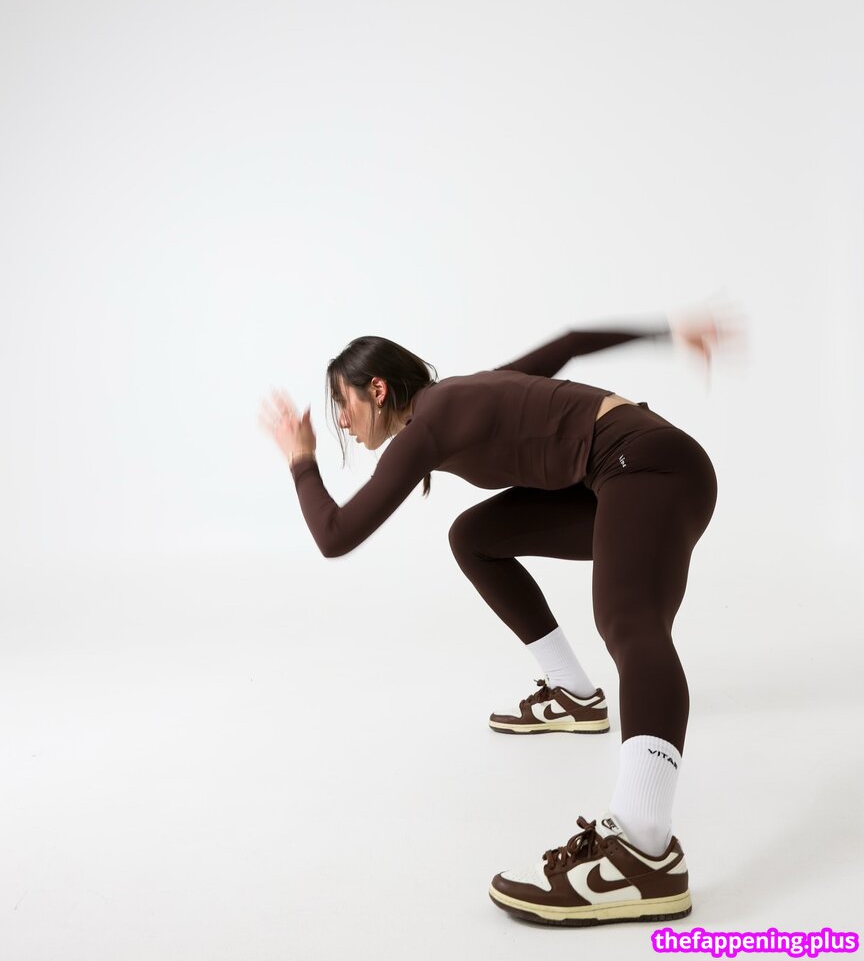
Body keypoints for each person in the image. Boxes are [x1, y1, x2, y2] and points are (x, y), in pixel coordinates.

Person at [259, 311, 733, 927]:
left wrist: (301, 459)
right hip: (626, 474)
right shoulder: (462, 396)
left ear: (377, 388)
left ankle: (645, 848)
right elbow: (569, 343)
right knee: (475, 536)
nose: (341, 422)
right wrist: (669, 332)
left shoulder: (430, 423)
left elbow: (335, 534)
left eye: (341, 404)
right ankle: (573, 693)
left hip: (650, 468)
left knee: (629, 621)